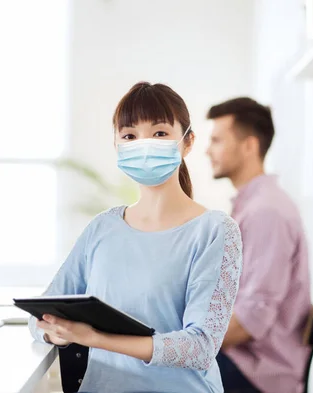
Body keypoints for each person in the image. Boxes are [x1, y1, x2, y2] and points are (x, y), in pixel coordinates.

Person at [28, 82, 243, 393]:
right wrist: (54, 332)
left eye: (159, 133)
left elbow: (200, 347)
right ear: (117, 145)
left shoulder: (215, 231)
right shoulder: (102, 228)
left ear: (188, 141)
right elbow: (40, 314)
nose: (144, 144)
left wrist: (96, 339)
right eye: (129, 136)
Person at [206, 97, 311, 393]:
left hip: (254, 374)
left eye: (216, 140)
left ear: (249, 146)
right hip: (241, 360)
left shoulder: (266, 212)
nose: (207, 150)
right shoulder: (252, 206)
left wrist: (185, 344)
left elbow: (251, 319)